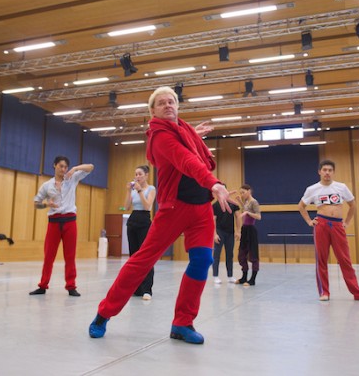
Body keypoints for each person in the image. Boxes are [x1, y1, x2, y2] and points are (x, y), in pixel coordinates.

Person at [89, 86, 231, 345]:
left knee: (202, 260)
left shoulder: (182, 130)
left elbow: (187, 144)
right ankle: (103, 314)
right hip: (174, 208)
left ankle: (182, 323)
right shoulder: (159, 137)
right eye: (162, 103)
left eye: (172, 101)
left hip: (200, 207)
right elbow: (187, 160)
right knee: (142, 261)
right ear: (152, 111)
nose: (168, 105)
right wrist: (214, 183)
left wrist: (194, 134)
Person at [298, 160, 359, 302]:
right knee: (321, 259)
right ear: (319, 172)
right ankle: (324, 292)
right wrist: (309, 221)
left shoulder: (341, 187)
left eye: (330, 170)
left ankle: (358, 293)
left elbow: (352, 205)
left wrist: (347, 222)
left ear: (333, 172)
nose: (327, 173)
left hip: (338, 225)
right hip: (321, 225)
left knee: (345, 259)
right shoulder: (312, 189)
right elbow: (301, 206)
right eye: (324, 170)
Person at [30, 157, 94, 297]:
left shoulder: (72, 178)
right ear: (54, 165)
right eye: (61, 166)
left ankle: (71, 286)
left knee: (70, 256)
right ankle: (43, 285)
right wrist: (47, 204)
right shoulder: (47, 185)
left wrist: (75, 168)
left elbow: (90, 167)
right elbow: (36, 203)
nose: (63, 169)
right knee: (49, 256)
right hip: (54, 222)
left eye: (65, 167)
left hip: (70, 221)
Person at [124, 165, 157, 300]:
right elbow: (126, 207)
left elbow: (147, 206)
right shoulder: (133, 190)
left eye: (140, 174)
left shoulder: (151, 189)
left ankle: (147, 289)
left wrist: (140, 191)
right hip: (133, 220)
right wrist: (128, 191)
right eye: (136, 174)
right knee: (133, 256)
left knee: (146, 256)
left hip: (144, 221)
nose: (137, 177)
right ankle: (135, 288)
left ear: (146, 175)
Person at [212, 189, 241, 284]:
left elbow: (238, 217)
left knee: (230, 254)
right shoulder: (215, 205)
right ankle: (215, 276)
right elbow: (213, 220)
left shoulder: (233, 204)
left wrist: (238, 231)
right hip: (219, 232)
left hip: (230, 233)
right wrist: (214, 234)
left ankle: (230, 276)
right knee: (217, 254)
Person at [236, 184, 261, 286]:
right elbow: (246, 209)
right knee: (241, 254)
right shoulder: (246, 202)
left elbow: (258, 216)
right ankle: (244, 277)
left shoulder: (254, 202)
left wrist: (248, 213)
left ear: (249, 191)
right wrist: (240, 202)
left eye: (243, 192)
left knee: (253, 255)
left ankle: (252, 279)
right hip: (245, 229)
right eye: (241, 193)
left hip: (251, 230)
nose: (242, 194)